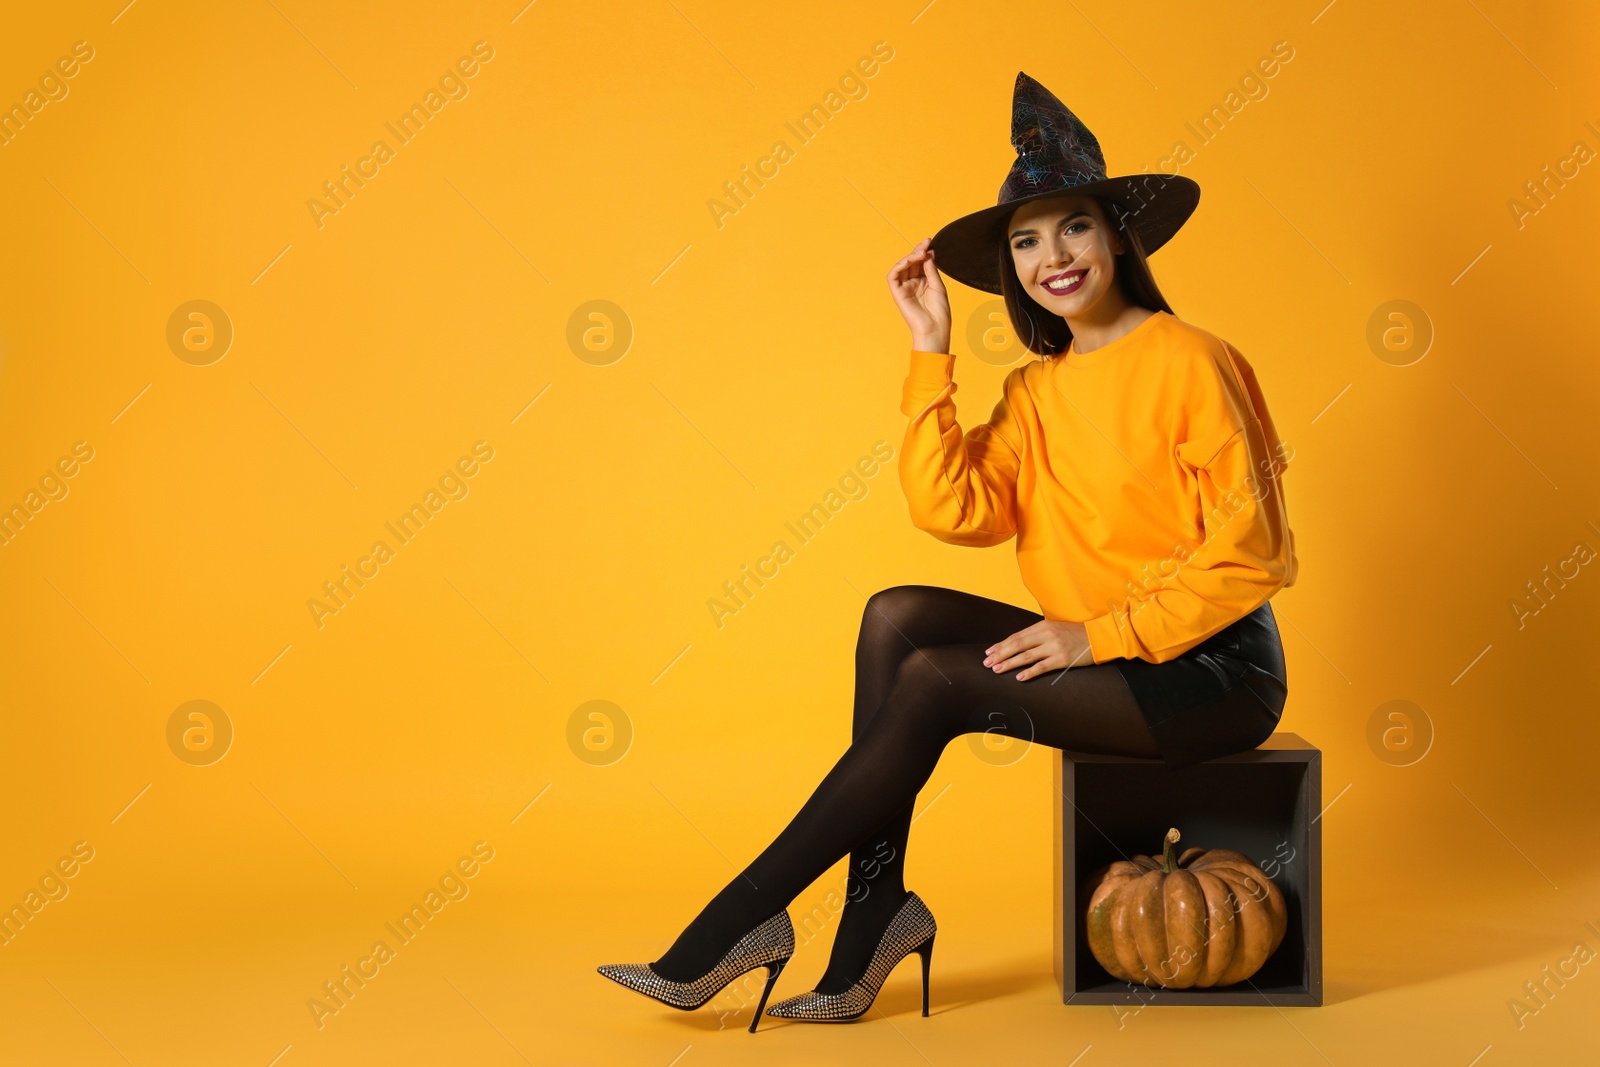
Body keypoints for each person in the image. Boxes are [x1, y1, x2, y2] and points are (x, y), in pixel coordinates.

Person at [597, 71, 1297, 1031]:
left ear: (1118, 235)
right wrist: (931, 349)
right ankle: (869, 917)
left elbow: (1255, 554)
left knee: (941, 682)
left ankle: (742, 917)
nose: (1052, 256)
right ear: (1011, 266)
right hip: (1102, 643)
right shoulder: (1037, 390)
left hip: (1211, 670)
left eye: (1074, 227)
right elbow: (953, 508)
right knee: (896, 615)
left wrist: (1099, 634)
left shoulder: (1193, 360)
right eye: (1026, 240)